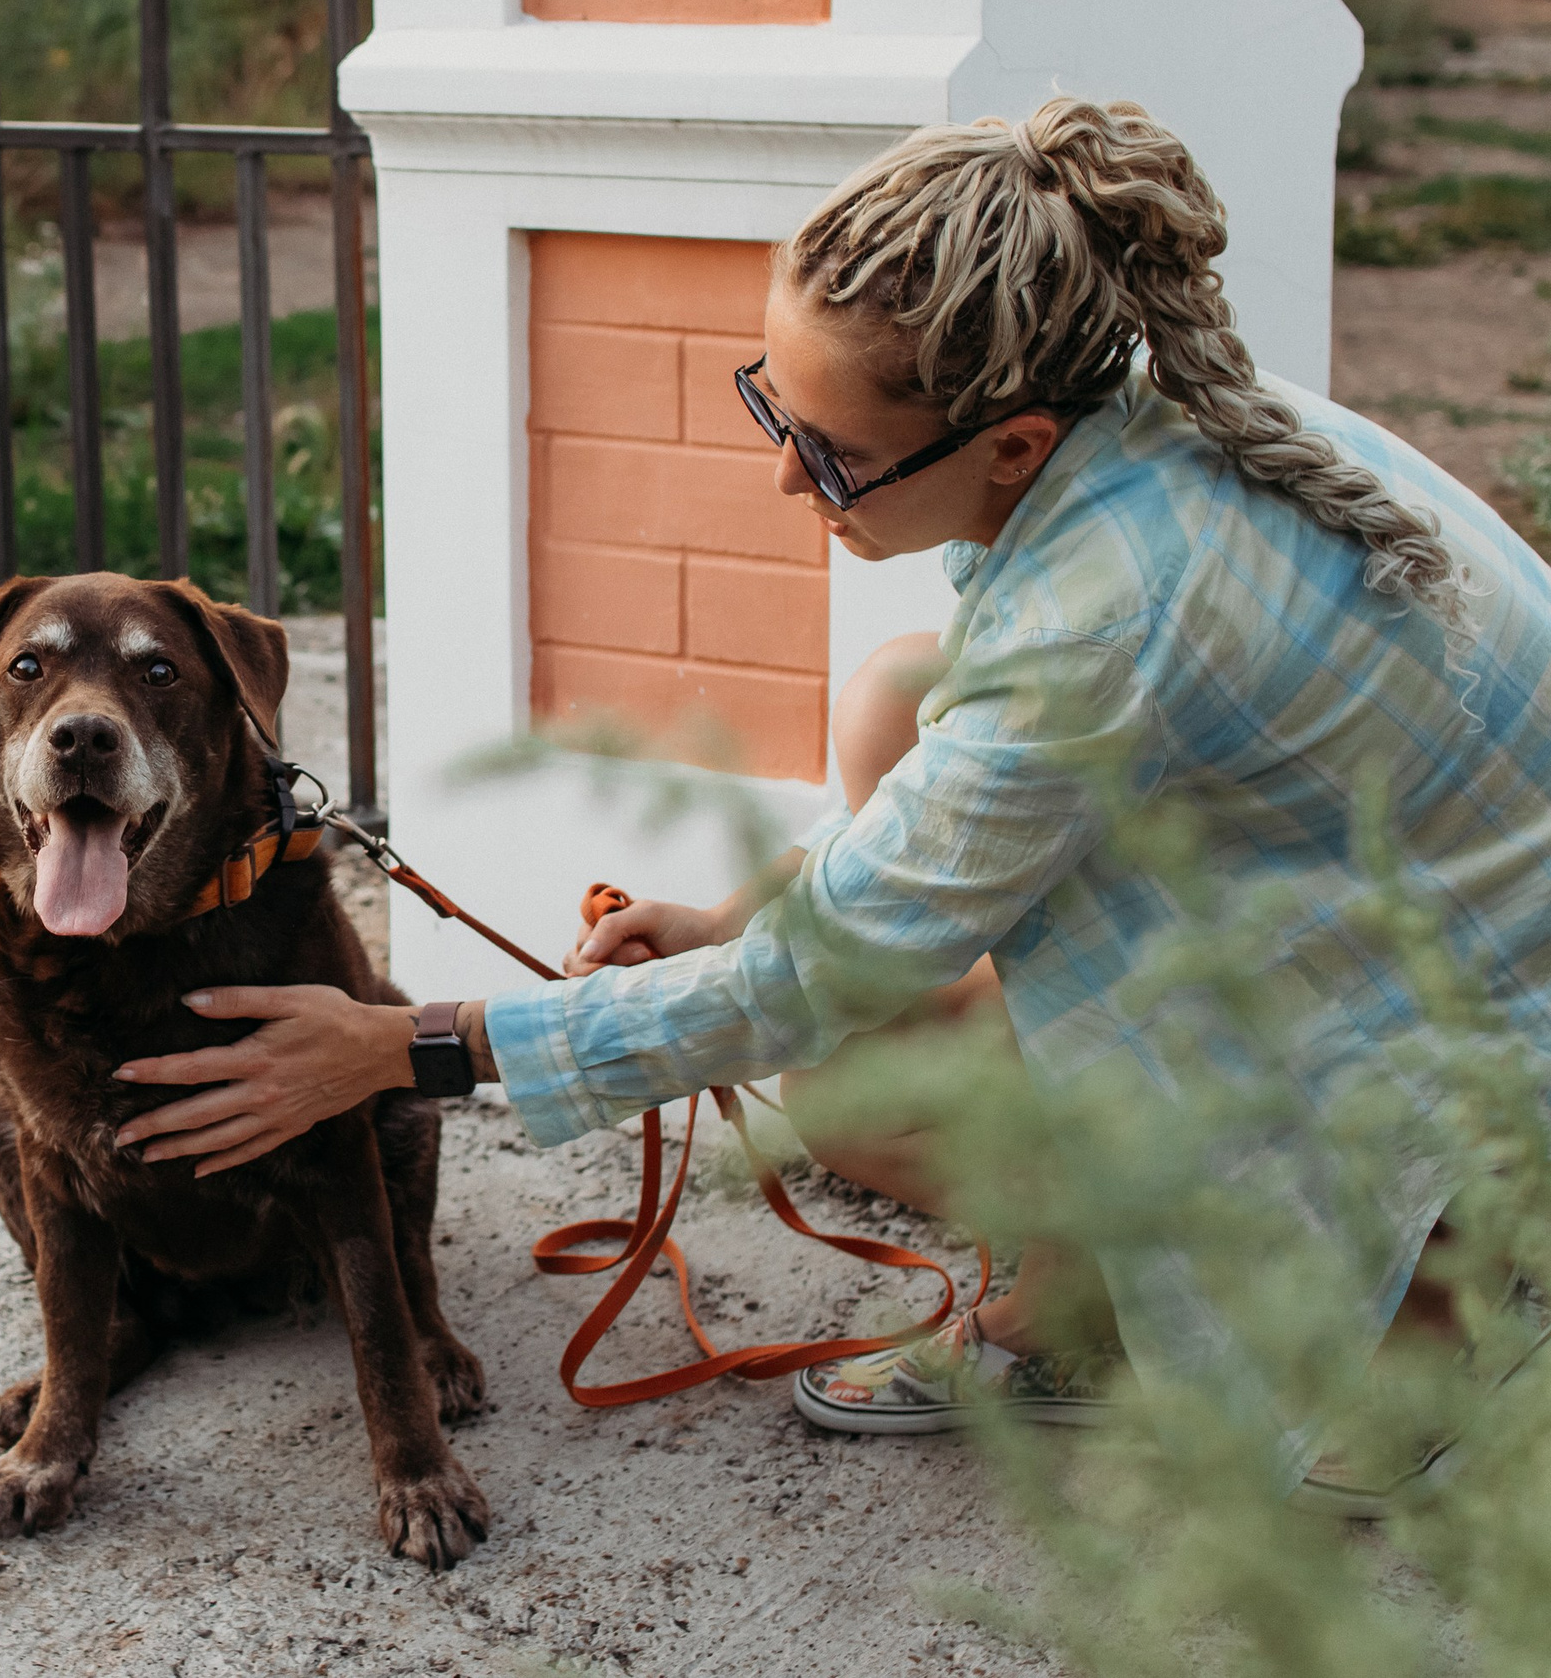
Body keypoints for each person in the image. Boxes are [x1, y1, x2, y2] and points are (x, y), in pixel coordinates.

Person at [109, 97, 1551, 1489]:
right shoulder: (1131, 409)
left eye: (834, 452)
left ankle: (1431, 1285)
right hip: (1376, 886)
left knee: (859, 1096)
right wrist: (731, 913)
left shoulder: (1101, 614)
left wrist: (392, 1051)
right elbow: (941, 821)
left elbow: (813, 978)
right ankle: (1083, 1295)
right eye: (774, 408)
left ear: (1011, 445)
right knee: (893, 703)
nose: (789, 480)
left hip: (1466, 1026)